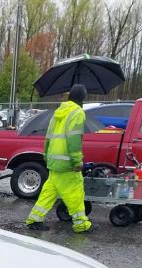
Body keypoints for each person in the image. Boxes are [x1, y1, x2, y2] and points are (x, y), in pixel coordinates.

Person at [25, 84, 93, 233]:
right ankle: (81, 224)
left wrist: (46, 156)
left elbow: (48, 138)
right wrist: (77, 161)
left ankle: (34, 219)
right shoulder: (77, 113)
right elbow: (73, 139)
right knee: (75, 192)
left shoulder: (58, 113)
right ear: (82, 98)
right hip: (67, 162)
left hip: (54, 161)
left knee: (48, 192)